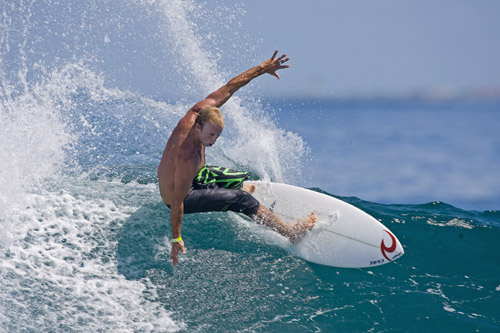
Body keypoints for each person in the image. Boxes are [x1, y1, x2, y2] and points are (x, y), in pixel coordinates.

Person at [157, 51, 316, 266]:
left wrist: (263, 68)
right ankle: (290, 232)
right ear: (198, 126)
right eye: (211, 135)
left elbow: (231, 87)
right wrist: (176, 238)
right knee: (242, 200)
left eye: (217, 135)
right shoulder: (188, 158)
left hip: (188, 177)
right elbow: (177, 202)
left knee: (241, 177)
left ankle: (229, 190)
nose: (214, 140)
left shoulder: (199, 111)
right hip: (180, 196)